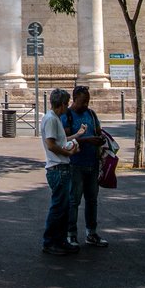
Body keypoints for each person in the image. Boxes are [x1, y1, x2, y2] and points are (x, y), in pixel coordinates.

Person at [62, 85, 109, 248]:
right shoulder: (67, 116)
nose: (86, 105)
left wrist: (100, 138)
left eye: (87, 101)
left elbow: (98, 131)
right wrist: (87, 140)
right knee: (74, 201)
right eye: (83, 101)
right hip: (75, 164)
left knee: (92, 200)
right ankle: (71, 235)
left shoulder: (91, 114)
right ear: (74, 99)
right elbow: (65, 140)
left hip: (92, 162)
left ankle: (91, 233)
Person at [40, 87, 85, 256]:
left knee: (64, 208)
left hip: (61, 167)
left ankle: (60, 241)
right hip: (58, 168)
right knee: (58, 208)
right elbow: (51, 144)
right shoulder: (51, 119)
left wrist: (77, 135)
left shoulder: (55, 118)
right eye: (66, 104)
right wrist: (69, 153)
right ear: (61, 104)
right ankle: (50, 242)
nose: (68, 108)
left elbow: (61, 140)